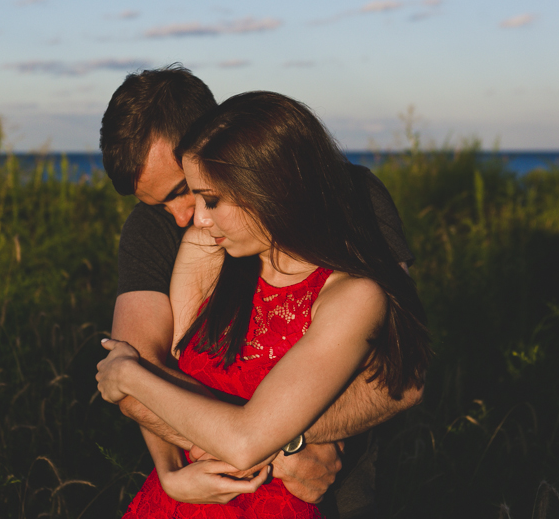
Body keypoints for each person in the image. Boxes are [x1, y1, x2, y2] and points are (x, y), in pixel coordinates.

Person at [99, 65, 422, 517]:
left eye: (184, 191)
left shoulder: (354, 199)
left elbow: (402, 375)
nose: (182, 216)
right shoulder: (184, 240)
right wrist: (181, 470)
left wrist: (287, 440)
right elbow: (142, 372)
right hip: (201, 495)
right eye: (157, 203)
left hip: (330, 486)